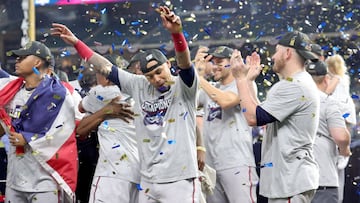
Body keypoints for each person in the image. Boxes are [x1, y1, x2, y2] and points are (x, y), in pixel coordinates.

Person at [51, 5, 200, 203]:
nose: (156, 79)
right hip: (148, 180)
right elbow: (105, 67)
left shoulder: (184, 87)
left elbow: (185, 63)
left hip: (179, 178)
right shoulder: (139, 85)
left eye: (159, 72)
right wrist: (77, 43)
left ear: (169, 66)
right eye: (150, 76)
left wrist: (176, 34)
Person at [230, 31, 320, 202]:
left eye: (276, 51)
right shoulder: (298, 82)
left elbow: (252, 118)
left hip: (290, 181)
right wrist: (249, 82)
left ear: (287, 53)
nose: (272, 56)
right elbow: (264, 116)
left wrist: (240, 79)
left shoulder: (294, 86)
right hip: (290, 179)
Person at [0, 41, 78, 202]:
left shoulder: (60, 95)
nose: (17, 60)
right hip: (15, 178)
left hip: (45, 179)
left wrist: (28, 138)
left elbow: (64, 132)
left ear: (37, 62)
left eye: (22, 57)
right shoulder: (11, 90)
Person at [196, 45, 258, 203]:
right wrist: (195, 71)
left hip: (237, 162)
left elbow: (226, 101)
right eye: (213, 62)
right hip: (211, 165)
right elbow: (188, 101)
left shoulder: (243, 84)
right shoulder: (212, 89)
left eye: (220, 62)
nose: (215, 67)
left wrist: (200, 79)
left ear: (232, 63)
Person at [78, 58, 140, 203]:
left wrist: (104, 110)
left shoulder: (101, 92)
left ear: (106, 77)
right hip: (139, 173)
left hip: (112, 172)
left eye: (98, 74)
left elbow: (81, 110)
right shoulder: (141, 91)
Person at [305, 60, 351, 203]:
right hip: (322, 179)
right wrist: (345, 150)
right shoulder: (328, 102)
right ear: (326, 79)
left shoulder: (291, 100)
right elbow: (341, 136)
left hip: (295, 181)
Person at [324, 54, 356, 203]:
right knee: (345, 137)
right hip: (346, 112)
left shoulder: (336, 78)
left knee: (340, 137)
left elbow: (327, 91)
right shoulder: (345, 77)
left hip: (340, 111)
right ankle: (343, 154)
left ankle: (342, 155)